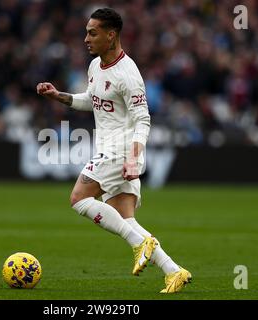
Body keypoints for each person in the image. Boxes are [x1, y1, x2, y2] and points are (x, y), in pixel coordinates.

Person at [36, 8, 191, 293]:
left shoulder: (128, 74)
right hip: (111, 150)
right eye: (86, 32)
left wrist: (133, 159)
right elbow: (92, 100)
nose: (86, 39)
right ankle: (174, 271)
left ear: (111, 35)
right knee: (127, 219)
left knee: (78, 199)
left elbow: (143, 119)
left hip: (122, 150)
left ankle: (138, 244)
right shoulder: (95, 66)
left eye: (92, 33)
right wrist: (60, 96)